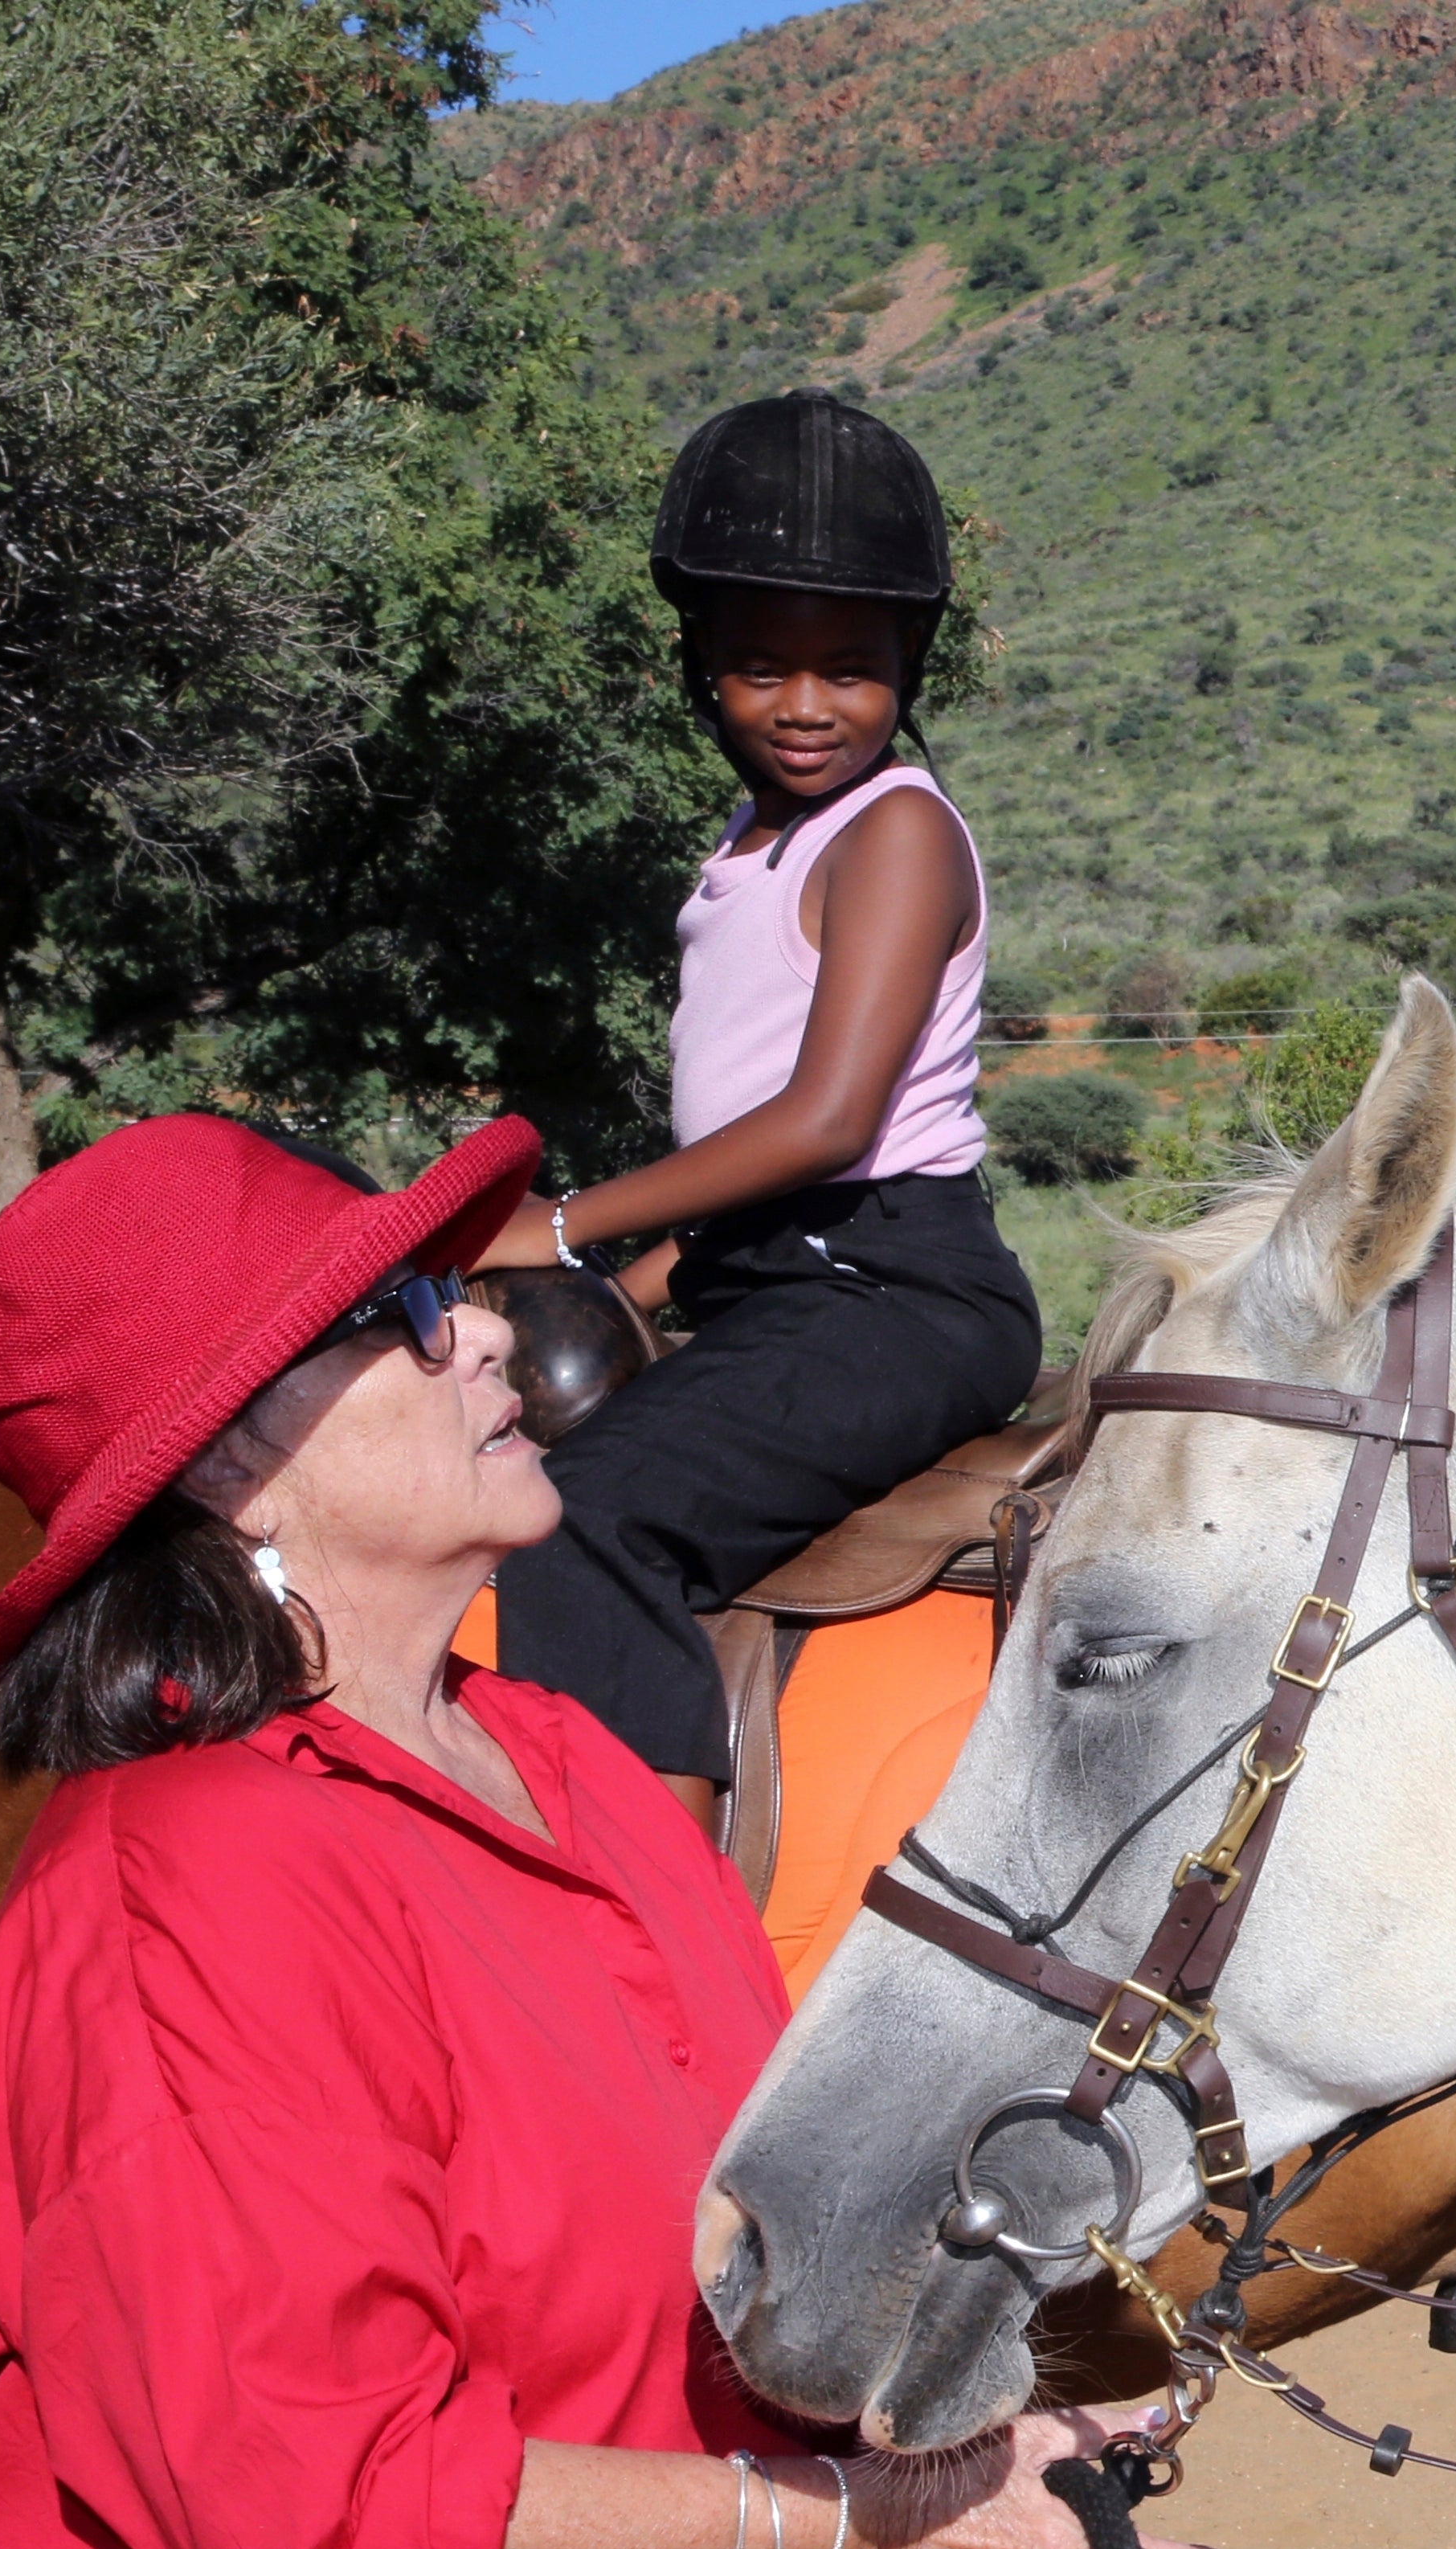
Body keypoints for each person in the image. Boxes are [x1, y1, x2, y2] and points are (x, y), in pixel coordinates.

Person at [0, 1114, 1219, 2549]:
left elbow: (705, 2274)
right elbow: (333, 2520)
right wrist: (883, 2527)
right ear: (228, 1462)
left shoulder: (573, 1770)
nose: (490, 1332)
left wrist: (987, 2421)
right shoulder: (192, 1887)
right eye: (403, 1317)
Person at [483, 391, 1041, 1831]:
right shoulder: (754, 841)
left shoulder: (895, 830)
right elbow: (767, 1187)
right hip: (786, 1276)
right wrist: (637, 1283)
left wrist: (562, 1229)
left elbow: (829, 1125)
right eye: (760, 669)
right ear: (703, 669)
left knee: (583, 1525)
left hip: (896, 1294)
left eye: (849, 670)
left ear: (908, 666)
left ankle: (642, 1919)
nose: (804, 706)